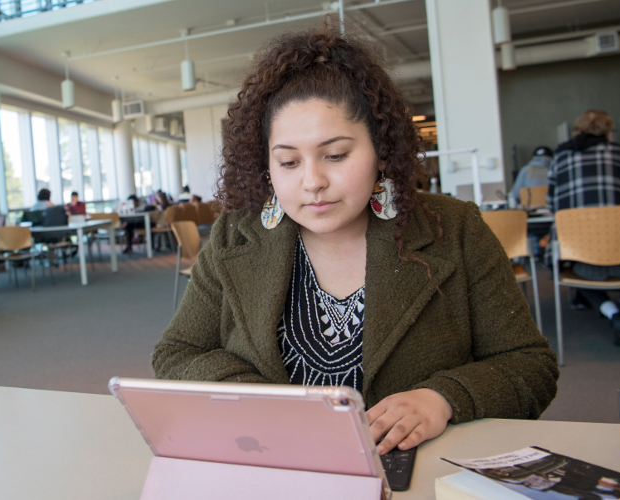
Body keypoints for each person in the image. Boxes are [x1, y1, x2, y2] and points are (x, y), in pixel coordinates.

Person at [152, 22, 559, 455]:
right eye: (288, 162)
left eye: (336, 155)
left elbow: (530, 366)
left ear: (381, 150)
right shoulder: (236, 235)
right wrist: (258, 399)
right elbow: (176, 354)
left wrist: (443, 398)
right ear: (266, 166)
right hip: (274, 465)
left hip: (411, 473)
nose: (313, 182)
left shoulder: (452, 228)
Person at [547, 109, 620, 345]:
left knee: (558, 260)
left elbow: (552, 205)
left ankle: (612, 313)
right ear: (609, 132)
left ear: (577, 131)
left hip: (582, 260)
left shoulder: (560, 158)